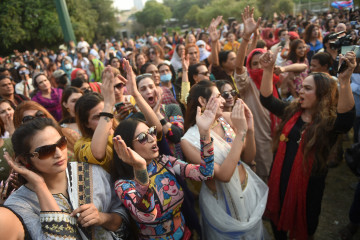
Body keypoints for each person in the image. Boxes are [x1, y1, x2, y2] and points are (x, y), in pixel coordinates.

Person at [259, 50, 356, 240]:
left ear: (322, 94)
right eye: (302, 87)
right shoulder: (291, 111)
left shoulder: (328, 123)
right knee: (277, 223)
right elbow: (267, 99)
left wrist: (344, 81)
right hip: (281, 178)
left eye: (307, 89)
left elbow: (346, 121)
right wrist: (268, 70)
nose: (300, 91)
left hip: (310, 186)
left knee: (306, 226)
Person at [3, 118, 129, 239]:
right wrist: (40, 185)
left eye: (61, 143)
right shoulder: (20, 204)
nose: (58, 154)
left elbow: (125, 216)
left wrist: (103, 218)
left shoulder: (93, 172)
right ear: (25, 159)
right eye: (46, 150)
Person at [112, 95, 215, 239]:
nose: (152, 138)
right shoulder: (123, 184)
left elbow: (206, 173)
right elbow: (148, 215)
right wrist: (140, 168)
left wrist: (204, 133)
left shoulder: (165, 162)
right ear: (127, 147)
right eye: (142, 138)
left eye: (151, 131)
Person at [181, 80, 268, 239]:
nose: (223, 101)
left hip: (246, 190)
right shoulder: (188, 141)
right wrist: (241, 132)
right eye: (218, 96)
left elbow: (248, 158)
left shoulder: (227, 119)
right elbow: (224, 175)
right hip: (221, 203)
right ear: (202, 101)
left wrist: (250, 129)